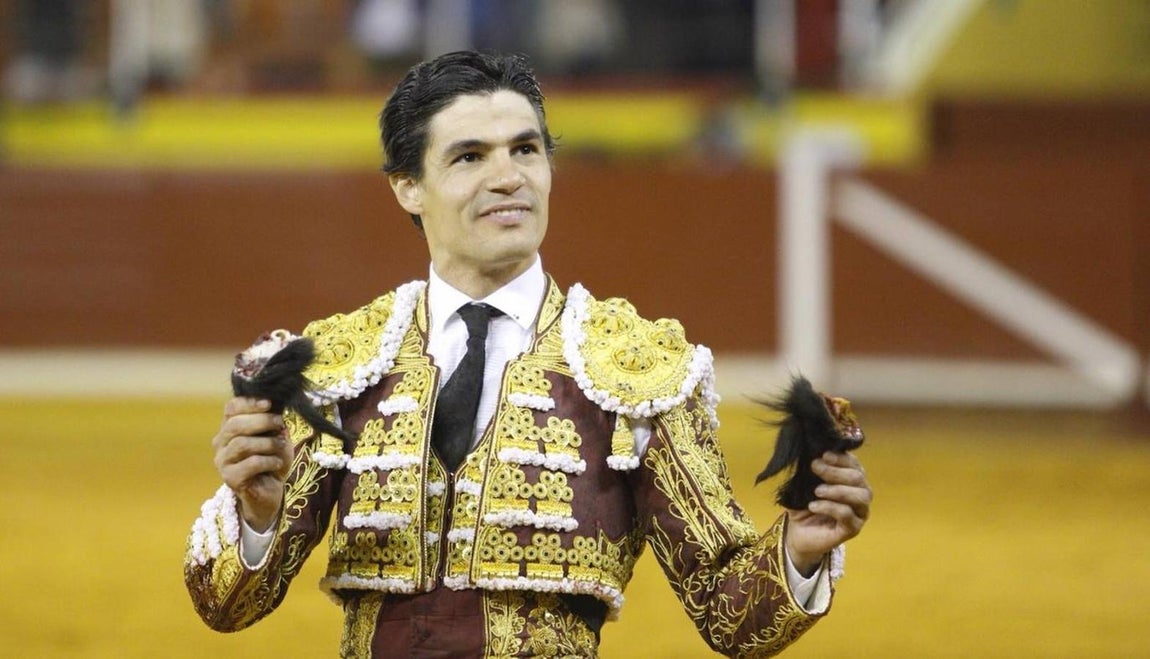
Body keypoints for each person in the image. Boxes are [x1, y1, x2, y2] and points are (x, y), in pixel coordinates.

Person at [184, 50, 872, 657]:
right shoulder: (342, 363)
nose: (508, 176)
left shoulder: (633, 369)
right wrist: (258, 518)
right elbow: (228, 605)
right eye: (469, 156)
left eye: (526, 149)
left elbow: (728, 614)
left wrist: (800, 548)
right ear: (407, 186)